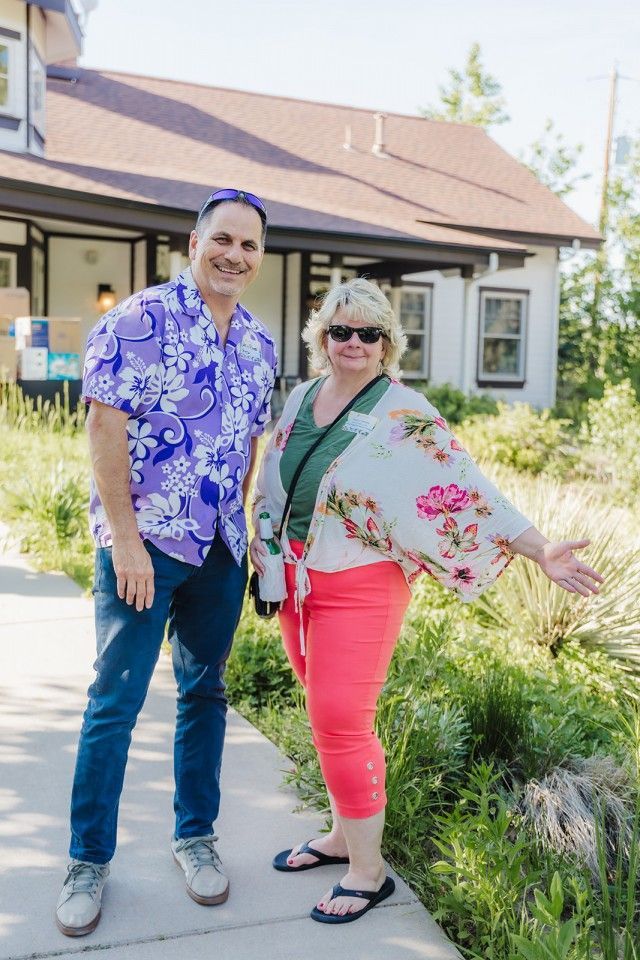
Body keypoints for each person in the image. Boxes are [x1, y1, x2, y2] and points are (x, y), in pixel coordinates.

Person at [250, 277, 603, 925]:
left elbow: (467, 491)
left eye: (369, 333)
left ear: (389, 343)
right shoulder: (302, 396)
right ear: (321, 337)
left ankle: (368, 871)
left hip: (360, 586)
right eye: (340, 330)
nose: (353, 343)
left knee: (340, 718)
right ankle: (340, 835)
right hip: (298, 582)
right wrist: (264, 552)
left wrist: (539, 547)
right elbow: (277, 479)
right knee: (324, 715)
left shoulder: (405, 414)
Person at [55, 189, 277, 937]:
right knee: (114, 703)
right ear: (194, 241)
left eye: (248, 245)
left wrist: (243, 526)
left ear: (259, 256)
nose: (234, 255)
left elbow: (250, 441)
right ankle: (87, 861)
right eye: (223, 239)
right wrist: (123, 539)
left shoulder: (259, 342)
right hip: (145, 547)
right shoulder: (140, 319)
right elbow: (103, 422)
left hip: (219, 548)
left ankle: (196, 838)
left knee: (205, 695)